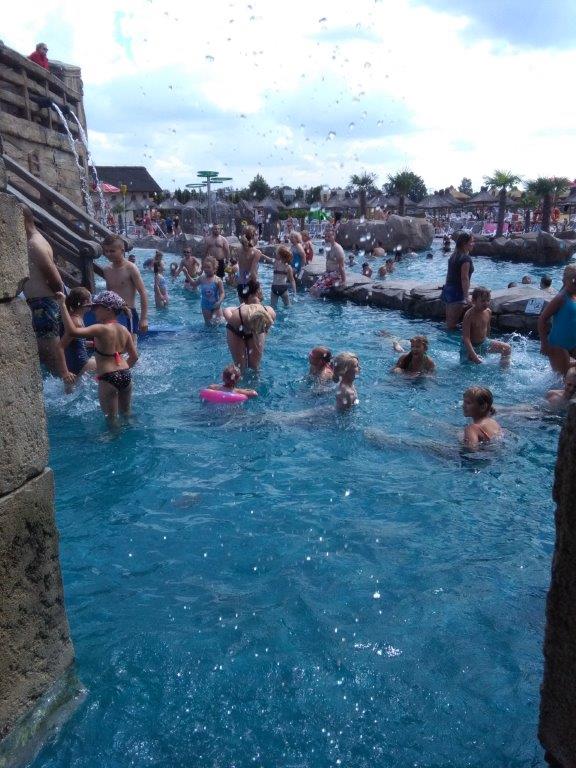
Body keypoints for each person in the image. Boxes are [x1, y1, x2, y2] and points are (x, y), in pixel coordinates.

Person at [56, 291, 138, 423]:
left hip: (108, 377)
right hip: (126, 375)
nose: (93, 311)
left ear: (108, 310)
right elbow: (134, 357)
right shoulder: (124, 330)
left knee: (112, 422)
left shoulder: (100, 328)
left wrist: (62, 305)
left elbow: (72, 331)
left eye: (96, 307)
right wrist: (121, 371)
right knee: (127, 415)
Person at [21, 205, 76, 389]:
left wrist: (60, 303)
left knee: (51, 354)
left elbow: (54, 278)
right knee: (47, 353)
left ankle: (66, 390)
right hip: (41, 303)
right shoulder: (33, 240)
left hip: (44, 303)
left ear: (21, 220)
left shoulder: (34, 244)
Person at [101, 234, 149, 338]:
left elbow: (143, 292)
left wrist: (144, 318)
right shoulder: (107, 270)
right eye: (106, 251)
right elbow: (109, 294)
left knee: (130, 342)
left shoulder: (131, 268)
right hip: (112, 313)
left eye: (112, 251)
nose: (108, 254)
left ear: (122, 250)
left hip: (128, 313)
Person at [223, 280, 276, 371]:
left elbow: (226, 312)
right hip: (258, 322)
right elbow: (267, 328)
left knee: (239, 368)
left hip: (239, 320)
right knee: (255, 368)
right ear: (258, 291)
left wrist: (237, 317)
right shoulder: (269, 310)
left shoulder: (239, 310)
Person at [538, 264, 576, 375]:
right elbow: (542, 319)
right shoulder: (561, 298)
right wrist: (544, 344)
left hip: (573, 344)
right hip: (558, 344)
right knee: (563, 378)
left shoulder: (574, 297)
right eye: (574, 281)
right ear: (565, 280)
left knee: (572, 377)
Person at [460, 287, 511, 364]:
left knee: (507, 348)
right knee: (470, 366)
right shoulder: (469, 315)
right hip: (469, 347)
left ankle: (503, 370)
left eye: (488, 300)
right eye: (483, 301)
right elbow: (466, 338)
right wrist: (474, 356)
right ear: (474, 301)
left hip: (483, 343)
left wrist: (488, 343)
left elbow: (487, 329)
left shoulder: (488, 312)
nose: (486, 303)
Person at [59, 287, 97, 384]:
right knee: (111, 362)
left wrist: (93, 344)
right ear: (86, 302)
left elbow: (75, 342)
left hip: (74, 364)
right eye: (90, 300)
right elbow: (60, 347)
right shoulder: (76, 322)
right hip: (81, 365)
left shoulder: (73, 318)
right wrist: (65, 373)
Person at [441, 232, 474, 330]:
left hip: (448, 291)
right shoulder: (465, 259)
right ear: (464, 243)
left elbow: (449, 275)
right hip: (457, 293)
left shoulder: (454, 256)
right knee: (451, 326)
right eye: (471, 242)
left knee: (449, 324)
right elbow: (464, 278)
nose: (473, 244)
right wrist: (466, 297)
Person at [237, 225, 273, 297]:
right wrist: (258, 288)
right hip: (251, 286)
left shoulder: (239, 250)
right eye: (256, 235)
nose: (258, 237)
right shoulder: (256, 252)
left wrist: (268, 258)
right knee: (258, 303)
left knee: (244, 304)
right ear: (252, 236)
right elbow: (252, 273)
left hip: (240, 284)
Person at [310, 225, 346, 297]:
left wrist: (343, 281)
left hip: (335, 274)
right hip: (328, 273)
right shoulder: (328, 246)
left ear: (334, 236)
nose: (326, 238)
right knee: (312, 288)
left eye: (329, 237)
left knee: (317, 290)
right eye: (325, 236)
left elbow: (341, 266)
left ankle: (316, 303)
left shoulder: (338, 249)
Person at [189, 257, 225, 324]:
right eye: (205, 267)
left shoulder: (218, 280)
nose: (206, 269)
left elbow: (222, 293)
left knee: (220, 323)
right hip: (205, 306)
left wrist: (219, 302)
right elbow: (193, 284)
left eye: (208, 267)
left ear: (214, 269)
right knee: (208, 325)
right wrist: (186, 274)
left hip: (216, 306)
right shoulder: (202, 278)